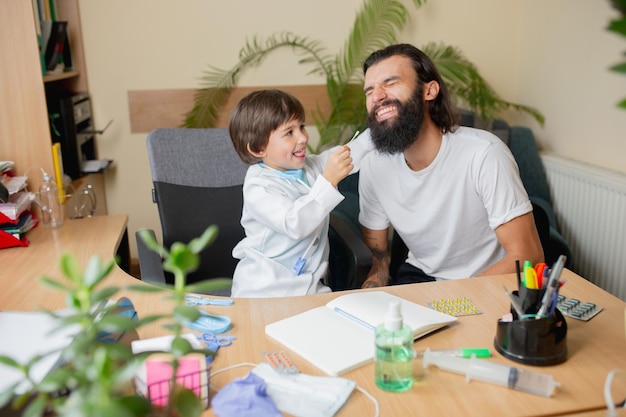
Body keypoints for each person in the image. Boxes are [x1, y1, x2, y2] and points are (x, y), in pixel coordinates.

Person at [358, 44, 544, 288]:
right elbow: (379, 263)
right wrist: (367, 295)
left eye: (390, 82)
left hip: (490, 282)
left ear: (430, 90)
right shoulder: (373, 166)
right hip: (421, 278)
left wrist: (454, 300)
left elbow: (528, 257)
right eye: (369, 90)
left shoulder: (483, 154)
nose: (377, 96)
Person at [228, 89, 373, 297]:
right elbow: (294, 223)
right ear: (259, 148)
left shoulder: (310, 166)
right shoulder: (258, 187)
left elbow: (350, 153)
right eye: (289, 132)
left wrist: (378, 132)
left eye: (301, 127)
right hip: (264, 291)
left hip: (311, 288)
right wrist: (328, 181)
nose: (303, 137)